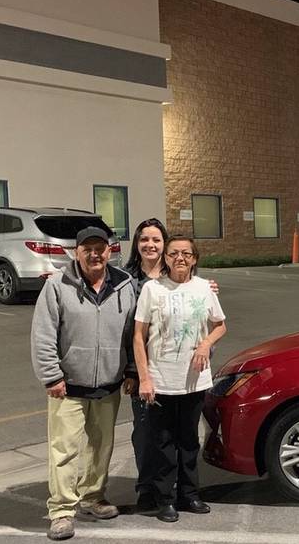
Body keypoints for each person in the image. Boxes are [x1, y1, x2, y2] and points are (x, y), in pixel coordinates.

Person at [31, 227, 137, 541]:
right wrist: (51, 375)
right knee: (64, 450)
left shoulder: (124, 285)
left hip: (109, 384)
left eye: (100, 248)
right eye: (87, 249)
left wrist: (130, 370)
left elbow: (132, 334)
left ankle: (92, 497)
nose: (95, 254)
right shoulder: (57, 285)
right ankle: (62, 511)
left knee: (101, 447)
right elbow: (43, 335)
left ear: (110, 250)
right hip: (68, 386)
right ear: (76, 252)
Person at [133, 236, 226, 522]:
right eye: (173, 253)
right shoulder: (152, 289)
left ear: (194, 258)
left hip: (194, 380)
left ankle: (190, 494)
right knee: (162, 442)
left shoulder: (203, 288)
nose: (180, 258)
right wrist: (144, 379)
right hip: (161, 379)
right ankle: (165, 499)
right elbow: (139, 336)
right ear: (166, 258)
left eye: (186, 253)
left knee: (189, 440)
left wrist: (204, 344)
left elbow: (220, 325)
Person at [122, 218, 169, 514]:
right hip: (139, 369)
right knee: (144, 431)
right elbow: (123, 329)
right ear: (137, 244)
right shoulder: (124, 279)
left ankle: (172, 485)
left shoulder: (178, 277)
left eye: (156, 239)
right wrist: (130, 371)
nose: (150, 245)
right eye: (144, 239)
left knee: (172, 431)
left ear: (164, 244)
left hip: (172, 367)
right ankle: (147, 488)